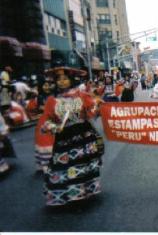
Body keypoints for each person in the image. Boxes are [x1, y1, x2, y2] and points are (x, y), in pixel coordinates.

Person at [40, 67, 105, 206]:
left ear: (70, 80)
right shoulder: (52, 101)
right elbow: (46, 120)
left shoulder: (81, 95)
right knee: (64, 166)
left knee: (84, 165)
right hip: (63, 138)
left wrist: (98, 106)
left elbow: (92, 110)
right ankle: (68, 195)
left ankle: (86, 192)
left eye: (65, 79)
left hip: (83, 135)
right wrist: (53, 127)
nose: (62, 82)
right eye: (59, 80)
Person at [34, 78, 55, 173]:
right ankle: (45, 165)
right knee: (44, 142)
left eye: (48, 85)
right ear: (41, 87)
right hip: (43, 121)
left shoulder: (53, 95)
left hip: (52, 119)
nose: (47, 87)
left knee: (52, 141)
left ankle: (54, 162)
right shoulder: (40, 97)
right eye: (45, 85)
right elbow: (40, 108)